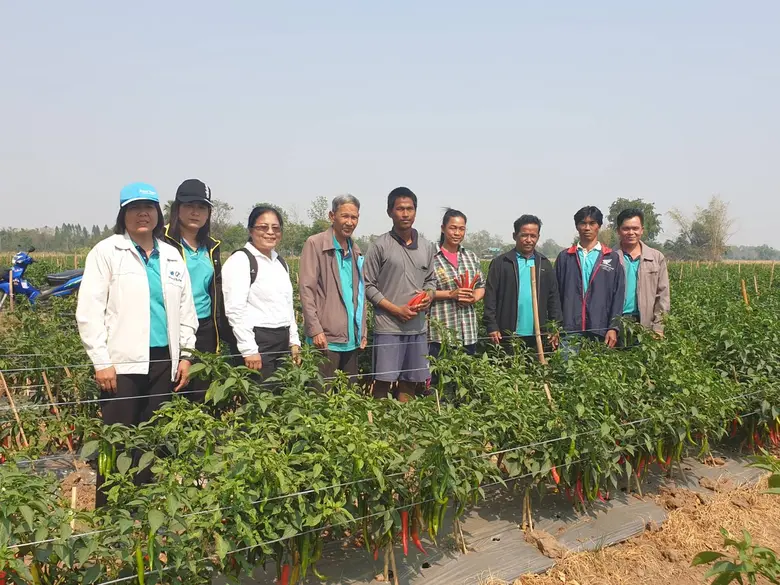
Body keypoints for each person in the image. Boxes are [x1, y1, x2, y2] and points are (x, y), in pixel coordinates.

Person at [76, 182, 198, 506]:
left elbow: (187, 311)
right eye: (134, 208)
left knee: (151, 439)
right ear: (123, 214)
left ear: (158, 213)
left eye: (148, 207)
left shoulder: (171, 255)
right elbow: (89, 311)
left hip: (163, 362)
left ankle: (142, 510)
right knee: (117, 439)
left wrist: (186, 355)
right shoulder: (106, 252)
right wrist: (101, 361)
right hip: (122, 363)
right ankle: (110, 514)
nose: (142, 214)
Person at [364, 187, 436, 402]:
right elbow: (368, 285)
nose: (405, 214)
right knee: (383, 382)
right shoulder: (380, 246)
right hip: (389, 327)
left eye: (410, 209)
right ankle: (379, 421)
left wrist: (429, 296)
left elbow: (431, 281)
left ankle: (405, 420)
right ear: (390, 212)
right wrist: (396, 310)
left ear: (415, 212)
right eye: (400, 209)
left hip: (417, 327)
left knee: (410, 382)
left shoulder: (427, 246)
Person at [221, 205, 301, 383]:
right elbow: (235, 310)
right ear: (251, 230)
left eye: (276, 228)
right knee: (259, 395)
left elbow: (288, 305)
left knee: (282, 394)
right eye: (263, 227)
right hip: (258, 342)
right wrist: (248, 349)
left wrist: (294, 341)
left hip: (282, 340)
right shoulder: (241, 261)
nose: (270, 232)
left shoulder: (280, 262)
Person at [163, 179, 222, 400]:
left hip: (204, 326)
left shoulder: (211, 246)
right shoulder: (161, 241)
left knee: (201, 391)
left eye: (202, 207)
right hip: (172, 324)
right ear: (177, 209)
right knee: (172, 388)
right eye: (189, 206)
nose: (195, 212)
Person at [299, 195, 367, 379]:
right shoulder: (316, 244)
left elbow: (360, 293)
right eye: (345, 216)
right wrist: (315, 329)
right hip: (326, 339)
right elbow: (306, 290)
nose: (350, 222)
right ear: (332, 216)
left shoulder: (355, 250)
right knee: (321, 392)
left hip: (351, 339)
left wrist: (362, 330)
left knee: (349, 393)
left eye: (354, 217)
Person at [484, 215, 562, 353]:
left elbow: (553, 298)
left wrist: (555, 326)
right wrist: (492, 325)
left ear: (538, 237)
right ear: (515, 236)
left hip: (538, 333)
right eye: (524, 235)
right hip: (507, 333)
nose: (529, 240)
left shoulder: (544, 264)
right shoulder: (501, 263)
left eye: (533, 236)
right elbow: (490, 297)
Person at [555, 206, 625, 347]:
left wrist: (613, 327)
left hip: (600, 329)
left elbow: (618, 296)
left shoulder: (611, 258)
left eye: (592, 223)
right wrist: (555, 326)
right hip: (569, 330)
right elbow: (555, 294)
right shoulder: (565, 257)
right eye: (583, 223)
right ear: (577, 226)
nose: (587, 228)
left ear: (599, 226)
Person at [428, 209, 484, 357]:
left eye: (461, 229)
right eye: (453, 228)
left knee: (466, 370)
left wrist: (474, 297)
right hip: (440, 334)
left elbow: (481, 286)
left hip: (468, 332)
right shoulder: (430, 256)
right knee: (439, 371)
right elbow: (422, 291)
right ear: (443, 228)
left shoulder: (471, 257)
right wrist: (451, 294)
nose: (457, 233)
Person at [616, 208, 670, 341]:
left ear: (642, 230)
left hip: (645, 324)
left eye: (635, 228)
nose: (631, 232)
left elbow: (662, 295)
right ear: (618, 231)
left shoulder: (656, 257)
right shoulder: (609, 257)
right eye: (626, 228)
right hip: (616, 323)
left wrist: (658, 327)